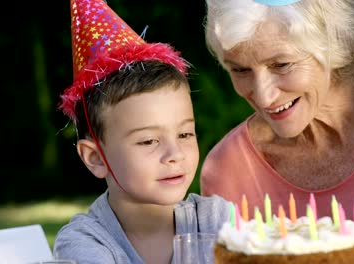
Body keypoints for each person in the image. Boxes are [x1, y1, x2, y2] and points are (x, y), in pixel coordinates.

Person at [200, 0, 354, 263]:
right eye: (240, 70)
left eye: (282, 64)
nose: (264, 97)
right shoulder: (229, 170)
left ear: (332, 44)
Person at [53, 1, 230, 263]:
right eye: (148, 140)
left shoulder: (216, 221)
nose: (174, 154)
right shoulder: (84, 244)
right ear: (96, 158)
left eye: (184, 134)